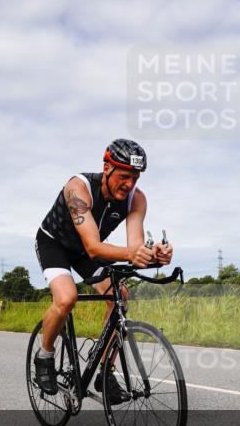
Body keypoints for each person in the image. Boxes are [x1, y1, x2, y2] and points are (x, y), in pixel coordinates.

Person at [33, 139, 173, 404]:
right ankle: (45, 354)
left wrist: (155, 256)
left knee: (119, 294)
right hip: (55, 244)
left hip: (87, 252)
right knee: (66, 298)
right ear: (106, 167)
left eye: (135, 177)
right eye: (124, 176)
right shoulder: (78, 188)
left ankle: (104, 372)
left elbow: (134, 249)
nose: (129, 184)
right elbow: (94, 247)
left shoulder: (137, 199)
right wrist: (134, 253)